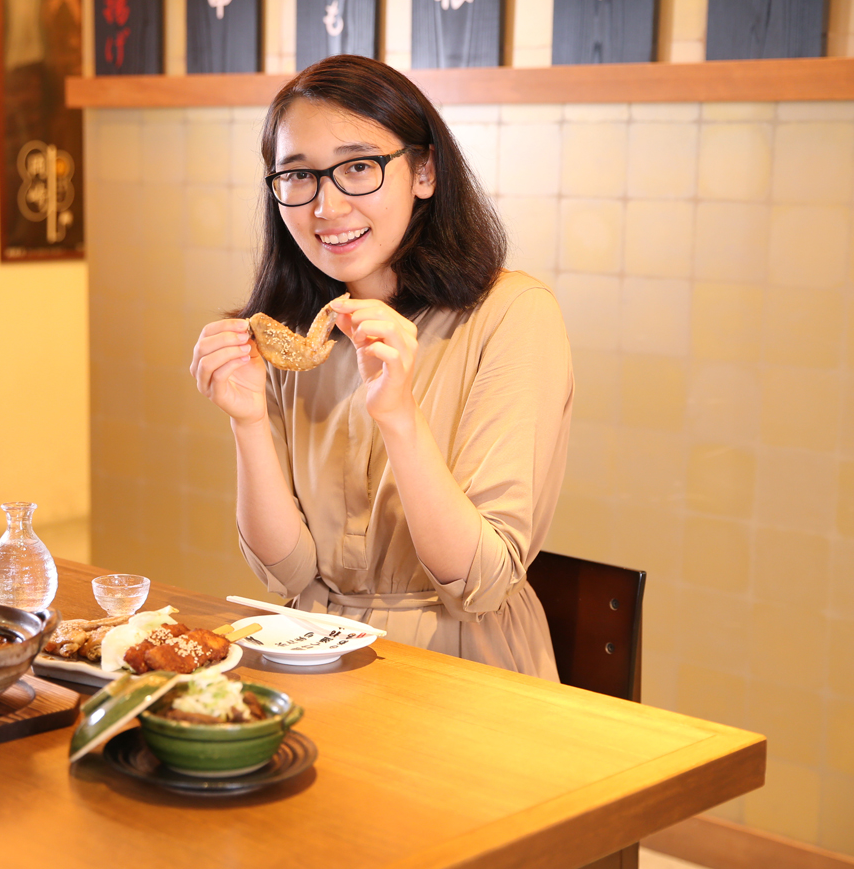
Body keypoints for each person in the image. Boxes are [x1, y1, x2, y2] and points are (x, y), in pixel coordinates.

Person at [188, 55, 572, 680]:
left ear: (424, 171)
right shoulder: (293, 333)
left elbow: (480, 581)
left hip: (463, 666)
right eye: (299, 175)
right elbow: (287, 573)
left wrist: (399, 415)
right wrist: (248, 421)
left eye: (359, 167)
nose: (327, 206)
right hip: (312, 653)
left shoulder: (513, 313)